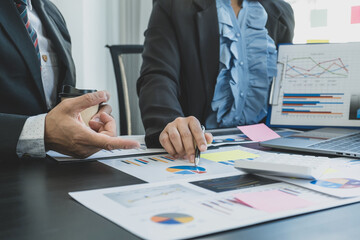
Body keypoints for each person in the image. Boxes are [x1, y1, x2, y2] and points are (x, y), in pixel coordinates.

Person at [137, 0, 294, 161]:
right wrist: (170, 122)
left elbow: (283, 87)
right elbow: (158, 76)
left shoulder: (281, 11)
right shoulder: (173, 5)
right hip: (201, 148)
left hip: (266, 148)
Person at [0, 0, 140, 159]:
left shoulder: (51, 13)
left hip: (54, 168)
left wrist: (87, 121)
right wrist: (42, 132)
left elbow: (55, 106)